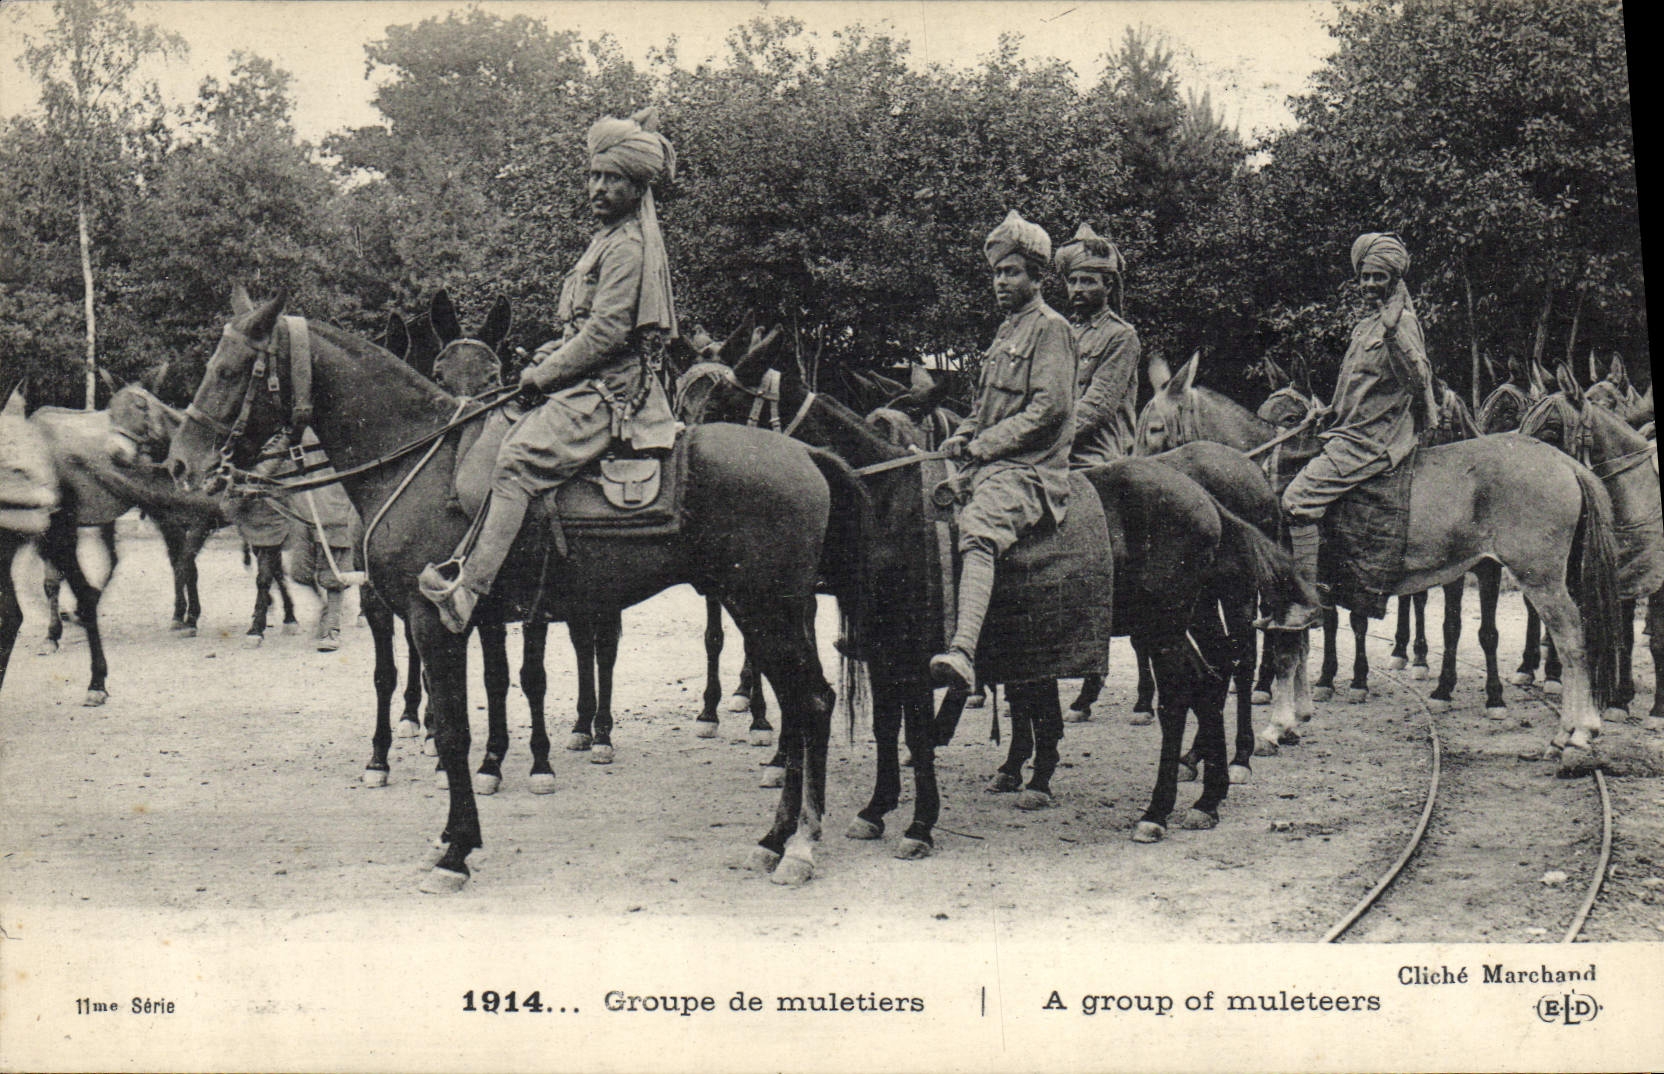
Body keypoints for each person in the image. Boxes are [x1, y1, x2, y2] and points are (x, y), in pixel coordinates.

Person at [420, 108, 679, 633]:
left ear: (636, 189)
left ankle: (472, 591)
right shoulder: (605, 239)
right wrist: (545, 356)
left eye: (613, 179)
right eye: (594, 176)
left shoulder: (628, 247)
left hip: (608, 393)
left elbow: (606, 335)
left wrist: (545, 375)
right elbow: (578, 328)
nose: (599, 188)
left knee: (517, 462)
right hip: (583, 381)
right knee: (490, 429)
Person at [929, 211, 1077, 691]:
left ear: (1037, 277)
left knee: (978, 530)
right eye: (996, 272)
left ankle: (963, 652)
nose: (1000, 281)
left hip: (1030, 471)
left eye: (1011, 272)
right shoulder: (1006, 331)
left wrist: (984, 444)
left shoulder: (1051, 328)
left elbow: (1050, 409)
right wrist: (963, 433)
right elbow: (984, 406)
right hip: (989, 464)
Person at [1267, 231, 1438, 630]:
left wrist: (1394, 334)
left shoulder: (1402, 323)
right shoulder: (1364, 326)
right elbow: (1357, 387)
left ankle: (1308, 603)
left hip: (1374, 439)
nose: (1370, 284)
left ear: (1395, 279)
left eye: (1379, 277)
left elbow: (1418, 380)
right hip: (1347, 430)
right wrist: (1326, 411)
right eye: (1365, 277)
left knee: (1296, 501)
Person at [1054, 223, 1140, 465]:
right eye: (1072, 281)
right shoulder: (1062, 332)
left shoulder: (1121, 336)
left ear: (1108, 286)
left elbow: (1097, 408)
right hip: (1055, 451)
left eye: (1088, 281)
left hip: (1095, 456)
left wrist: (1041, 440)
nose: (1077, 289)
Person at [285, 429, 362, 652]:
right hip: (303, 507)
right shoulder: (295, 429)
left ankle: (332, 627)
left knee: (334, 574)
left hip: (334, 506)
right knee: (299, 571)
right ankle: (328, 608)